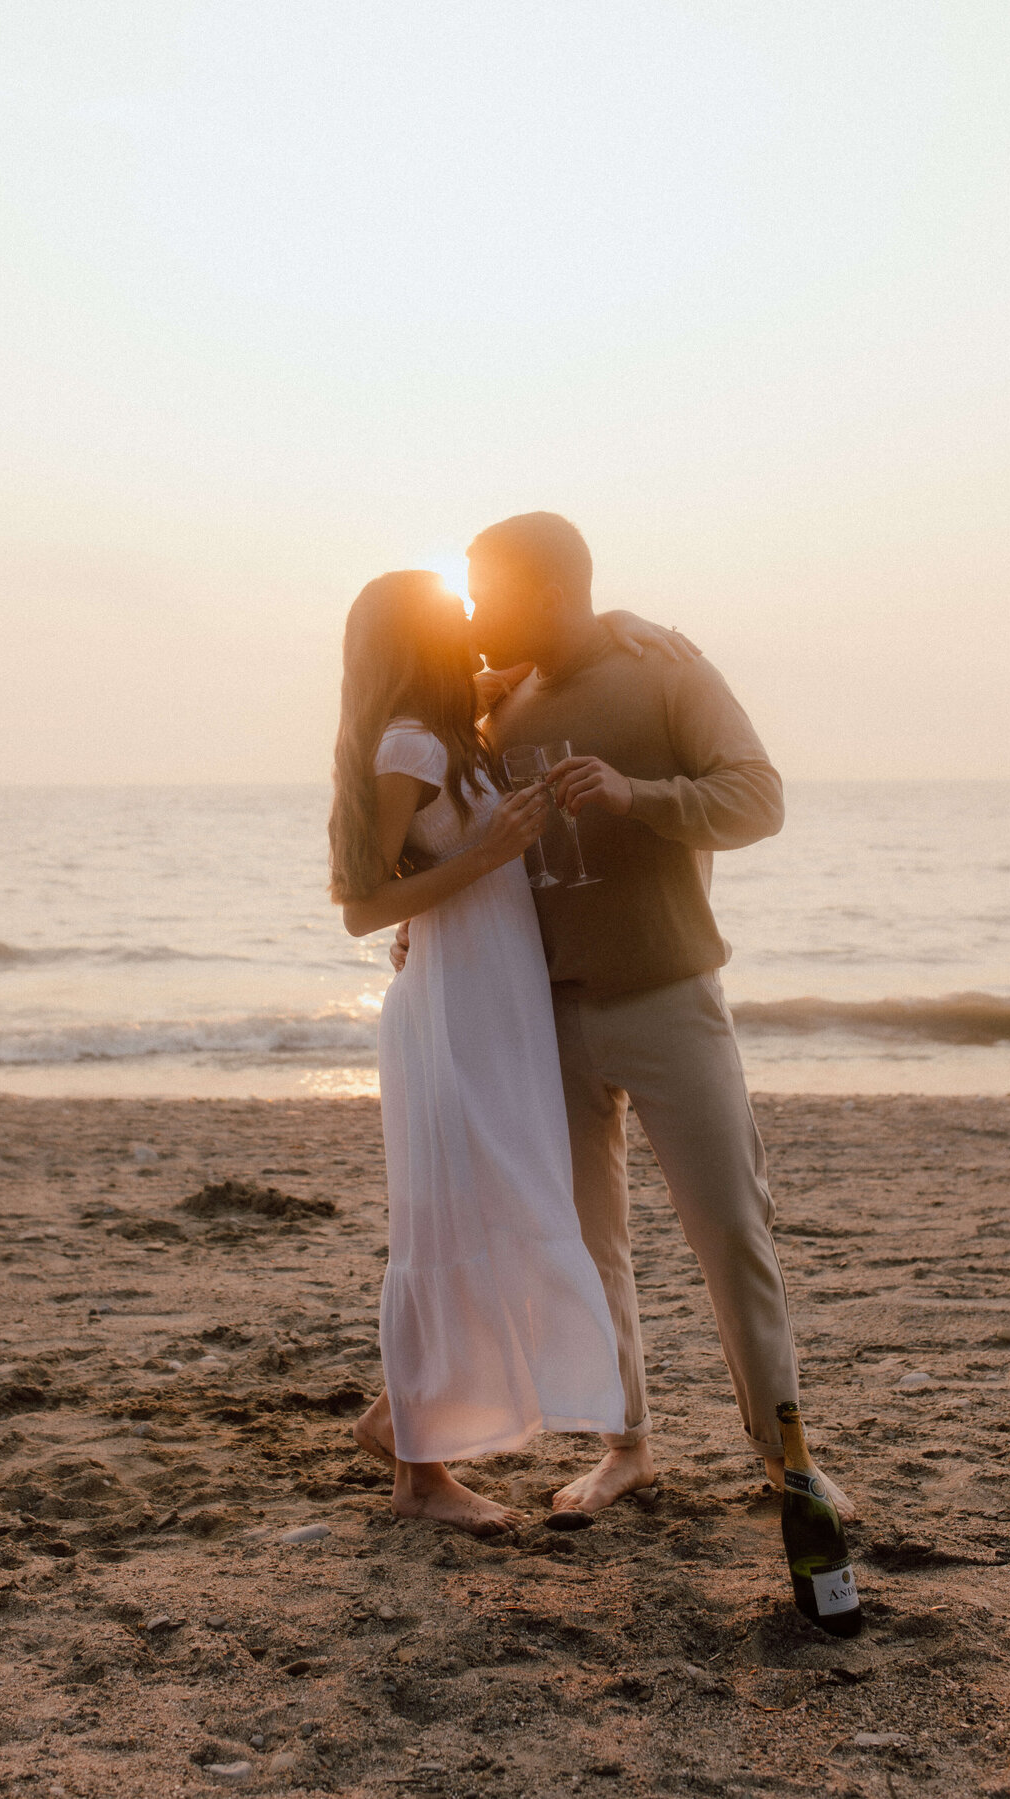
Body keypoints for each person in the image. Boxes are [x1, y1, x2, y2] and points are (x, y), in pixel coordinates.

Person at [389, 514, 854, 1521]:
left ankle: (787, 1459)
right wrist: (421, 917)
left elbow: (759, 796)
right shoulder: (493, 706)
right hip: (544, 1016)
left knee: (732, 1231)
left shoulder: (666, 671)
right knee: (591, 1242)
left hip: (670, 996)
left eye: (486, 592)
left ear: (550, 593)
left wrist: (635, 791)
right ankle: (627, 1447)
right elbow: (456, 839)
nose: (471, 612)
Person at [330, 569, 684, 1536]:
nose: (477, 626)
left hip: (502, 1007)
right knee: (448, 1225)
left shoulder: (457, 726)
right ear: (420, 638)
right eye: (457, 616)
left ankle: (401, 1416)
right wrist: (489, 856)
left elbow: (558, 631)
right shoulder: (407, 739)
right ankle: (419, 1474)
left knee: (508, 1207)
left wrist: (625, 618)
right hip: (450, 1013)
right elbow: (361, 902)